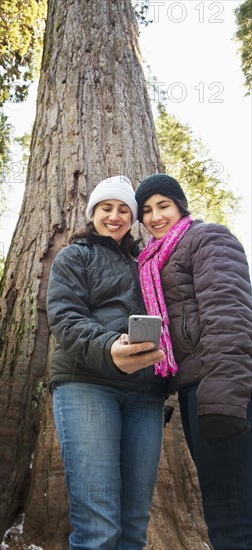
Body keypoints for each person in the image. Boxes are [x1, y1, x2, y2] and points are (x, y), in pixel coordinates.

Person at [46, 175, 167, 550]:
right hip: (87, 384)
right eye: (106, 208)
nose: (114, 216)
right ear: (93, 213)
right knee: (98, 528)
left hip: (145, 396)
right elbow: (65, 318)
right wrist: (109, 347)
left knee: (133, 529)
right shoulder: (75, 256)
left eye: (123, 210)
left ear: (133, 218)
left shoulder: (147, 264)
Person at [135, 173, 252, 550]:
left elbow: (229, 312)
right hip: (195, 387)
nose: (155, 217)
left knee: (232, 514)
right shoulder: (153, 260)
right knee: (225, 504)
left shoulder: (206, 237)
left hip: (221, 385)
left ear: (180, 206)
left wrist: (223, 397)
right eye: (147, 210)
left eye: (163, 205)